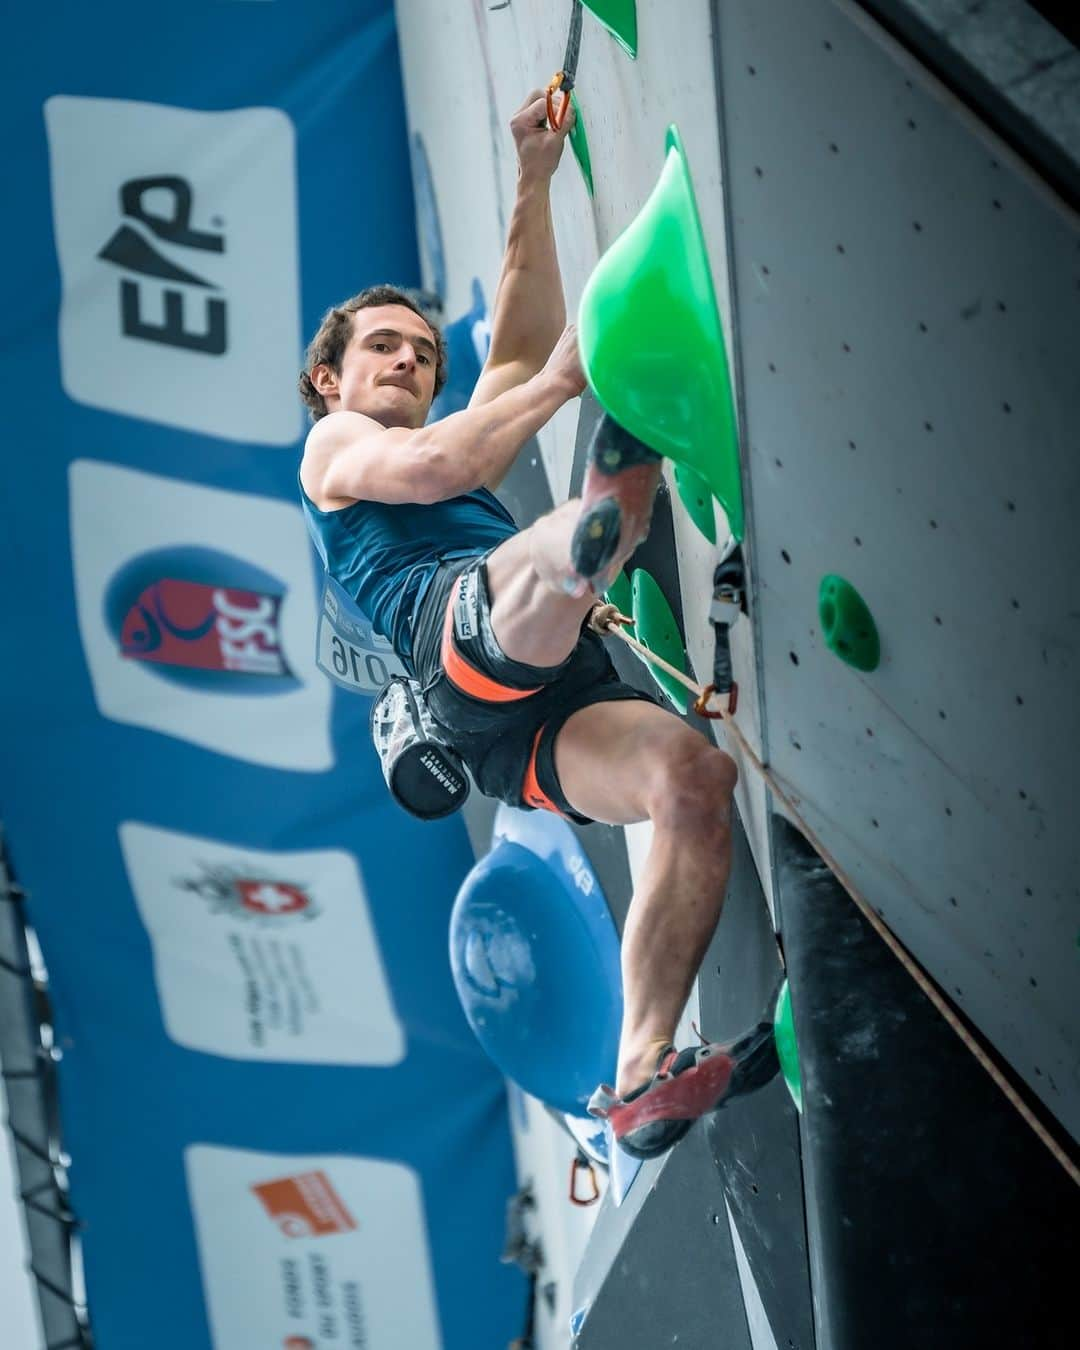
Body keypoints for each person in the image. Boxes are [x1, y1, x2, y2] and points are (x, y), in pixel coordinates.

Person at [298, 91, 777, 1158]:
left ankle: (638, 1074)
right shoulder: (335, 448)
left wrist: (531, 177)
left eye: (422, 352)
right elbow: (447, 458)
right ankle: (590, 535)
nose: (411, 363)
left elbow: (513, 351)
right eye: (384, 349)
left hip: (529, 725)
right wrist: (571, 376)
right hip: (458, 641)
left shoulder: (448, 423)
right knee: (566, 545)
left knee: (692, 782)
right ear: (331, 377)